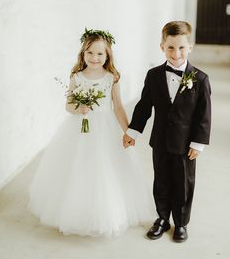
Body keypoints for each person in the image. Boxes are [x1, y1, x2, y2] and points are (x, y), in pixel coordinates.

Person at [29, 28, 154, 237]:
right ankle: (76, 210)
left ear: (107, 56)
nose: (94, 58)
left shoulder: (111, 78)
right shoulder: (76, 76)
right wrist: (80, 108)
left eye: (99, 54)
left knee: (105, 169)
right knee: (78, 168)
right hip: (79, 128)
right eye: (90, 53)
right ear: (83, 54)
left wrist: (129, 132)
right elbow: (68, 105)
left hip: (106, 128)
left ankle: (106, 213)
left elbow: (119, 107)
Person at [123, 21, 211, 243]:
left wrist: (198, 143)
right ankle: (162, 218)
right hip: (160, 141)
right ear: (162, 46)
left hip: (185, 144)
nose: (176, 53)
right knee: (161, 179)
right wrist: (132, 131)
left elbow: (204, 115)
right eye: (170, 47)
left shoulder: (200, 79)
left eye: (181, 47)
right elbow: (144, 107)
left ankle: (180, 223)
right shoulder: (153, 75)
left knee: (183, 183)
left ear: (190, 46)